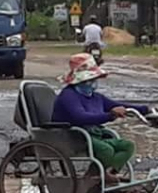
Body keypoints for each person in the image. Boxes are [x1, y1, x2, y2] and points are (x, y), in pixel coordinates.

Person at [52, 53, 150, 185]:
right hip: (74, 136)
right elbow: (81, 117)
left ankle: (105, 173)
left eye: (94, 79)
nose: (93, 83)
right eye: (90, 80)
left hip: (93, 134)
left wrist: (145, 110)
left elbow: (118, 105)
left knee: (127, 146)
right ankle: (98, 175)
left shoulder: (96, 97)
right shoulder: (68, 96)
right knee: (106, 150)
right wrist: (110, 115)